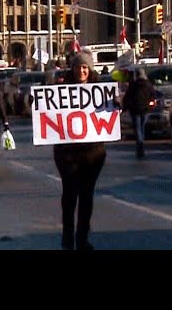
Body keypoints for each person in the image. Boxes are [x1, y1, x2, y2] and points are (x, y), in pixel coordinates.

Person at [53, 50, 107, 251]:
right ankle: (68, 238)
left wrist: (116, 105)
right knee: (69, 195)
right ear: (73, 68)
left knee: (86, 196)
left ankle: (82, 238)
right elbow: (45, 106)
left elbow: (111, 113)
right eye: (78, 67)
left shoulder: (101, 90)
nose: (81, 71)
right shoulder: (61, 88)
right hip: (67, 154)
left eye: (85, 67)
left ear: (90, 69)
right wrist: (37, 102)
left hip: (92, 154)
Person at [121, 67, 156, 158]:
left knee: (137, 129)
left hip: (135, 110)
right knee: (142, 128)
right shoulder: (148, 85)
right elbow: (153, 96)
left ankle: (140, 146)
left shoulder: (133, 85)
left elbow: (127, 97)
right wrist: (150, 106)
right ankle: (141, 144)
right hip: (145, 110)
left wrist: (124, 108)